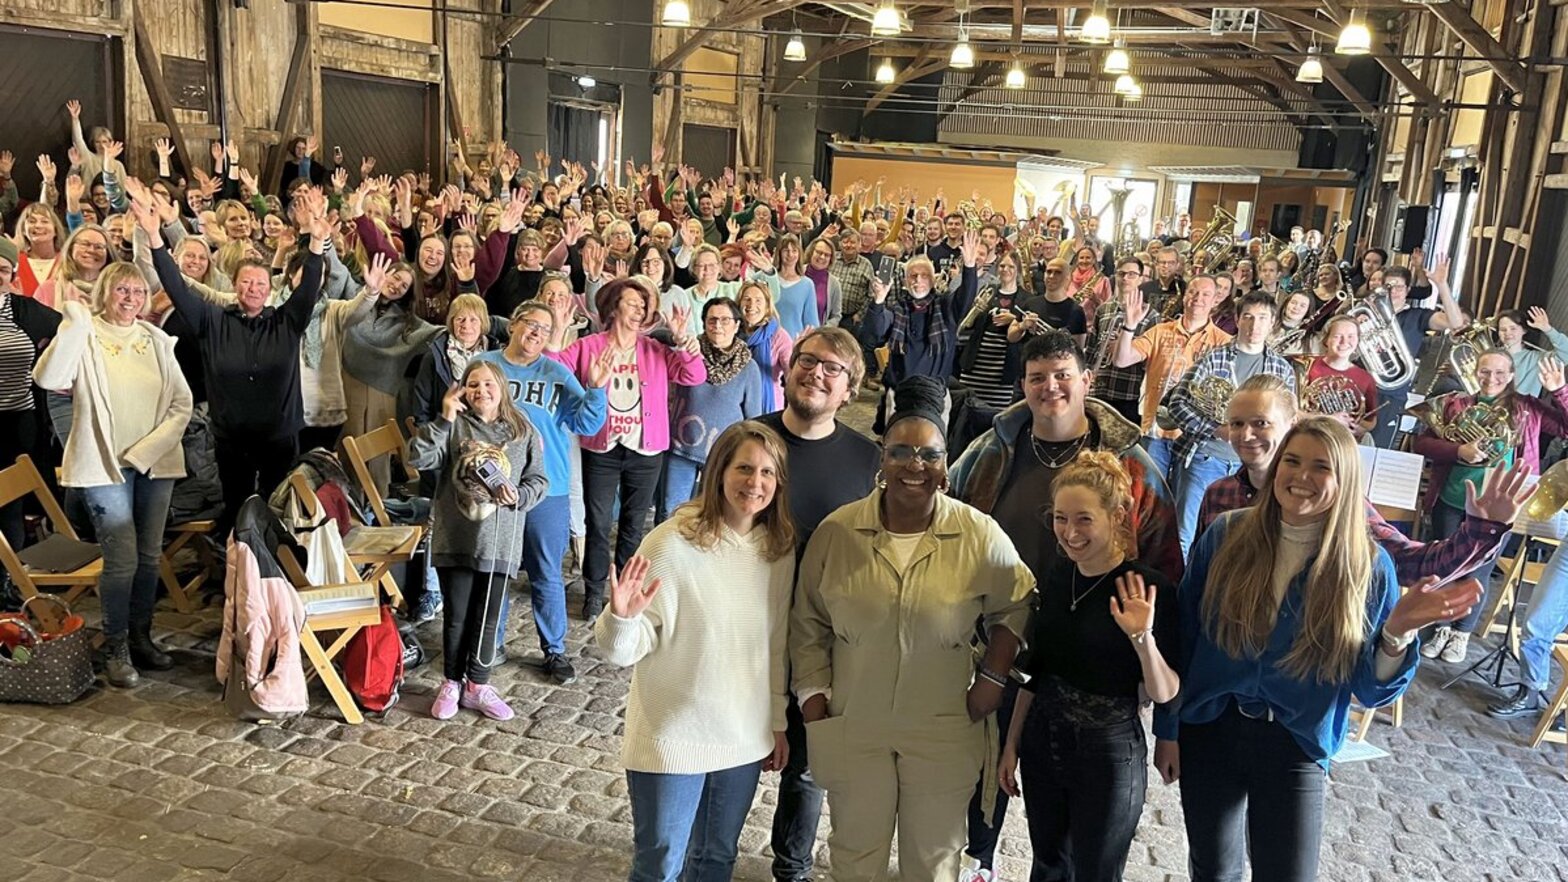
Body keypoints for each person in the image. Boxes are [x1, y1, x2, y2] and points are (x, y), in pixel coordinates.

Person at [1158, 416, 1484, 882]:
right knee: (1212, 869)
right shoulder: (1226, 535)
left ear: (1345, 480)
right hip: (1211, 728)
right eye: (1291, 461)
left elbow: (1372, 693)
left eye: (1321, 466)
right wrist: (1168, 727)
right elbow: (1183, 637)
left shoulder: (1367, 566)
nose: (1301, 477)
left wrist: (1397, 633)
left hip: (1296, 741)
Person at [791, 375, 1034, 882]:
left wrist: (991, 681)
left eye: (929, 455)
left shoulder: (976, 533)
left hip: (944, 724)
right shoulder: (839, 532)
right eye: (901, 452)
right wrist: (815, 702)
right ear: (882, 458)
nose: (914, 466)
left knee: (935, 862)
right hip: (854, 721)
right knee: (855, 857)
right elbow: (808, 622)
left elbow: (1016, 602)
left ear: (946, 463)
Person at [595, 421, 796, 882]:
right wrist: (622, 619)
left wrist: (778, 722)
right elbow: (622, 652)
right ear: (719, 470)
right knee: (660, 866)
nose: (755, 482)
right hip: (675, 737)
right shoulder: (671, 543)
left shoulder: (778, 550)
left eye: (768, 473)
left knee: (716, 860)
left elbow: (777, 642)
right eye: (744, 468)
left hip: (742, 737)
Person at [998, 451, 1179, 882]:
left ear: (1117, 516)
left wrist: (1142, 638)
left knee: (1097, 872)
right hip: (1044, 742)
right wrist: (1011, 744)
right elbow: (1037, 669)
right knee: (1047, 864)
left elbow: (1165, 691)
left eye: (1083, 520)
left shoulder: (1151, 588)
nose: (1069, 533)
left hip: (1109, 755)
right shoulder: (1060, 575)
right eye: (1061, 518)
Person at [32, 261, 193, 687]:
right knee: (121, 559)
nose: (130, 299)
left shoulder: (156, 339)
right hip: (103, 465)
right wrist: (74, 323)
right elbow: (48, 377)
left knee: (148, 555)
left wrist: (146, 451)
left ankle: (141, 636)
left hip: (154, 463)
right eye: (122, 290)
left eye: (138, 292)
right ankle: (116, 645)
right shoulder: (86, 335)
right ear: (105, 292)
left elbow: (182, 404)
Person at [757, 326, 880, 882]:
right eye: (809, 361)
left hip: (823, 642)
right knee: (728, 753)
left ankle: (792, 869)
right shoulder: (747, 441)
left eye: (834, 368)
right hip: (747, 630)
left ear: (850, 389)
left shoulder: (867, 461)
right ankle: (705, 857)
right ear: (788, 369)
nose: (817, 374)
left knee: (807, 768)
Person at [140, 189, 327, 535]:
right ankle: (237, 574)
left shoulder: (287, 321)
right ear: (235, 286)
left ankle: (278, 576)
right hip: (232, 439)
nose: (253, 288)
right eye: (246, 283)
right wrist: (155, 238)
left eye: (259, 283)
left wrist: (316, 241)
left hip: (279, 438)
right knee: (236, 511)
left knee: (279, 512)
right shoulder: (212, 320)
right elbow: (178, 289)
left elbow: (309, 286)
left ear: (269, 288)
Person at [550, 277, 706, 618]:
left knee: (634, 524)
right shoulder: (590, 345)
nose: (640, 310)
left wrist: (682, 343)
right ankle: (593, 592)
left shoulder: (655, 349)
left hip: (646, 451)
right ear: (614, 306)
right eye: (633, 303)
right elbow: (553, 369)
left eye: (644, 306)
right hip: (602, 449)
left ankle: (624, 590)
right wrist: (558, 332)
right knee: (598, 522)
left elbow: (694, 376)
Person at [475, 301, 608, 686]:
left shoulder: (556, 372)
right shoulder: (486, 365)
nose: (536, 333)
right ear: (513, 324)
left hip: (546, 486)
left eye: (545, 330)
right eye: (531, 324)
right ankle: (489, 645)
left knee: (546, 572)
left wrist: (596, 390)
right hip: (492, 486)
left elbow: (585, 421)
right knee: (494, 569)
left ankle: (554, 650)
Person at [409, 360, 548, 721]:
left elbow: (539, 481)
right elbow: (419, 457)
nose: (480, 391)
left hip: (500, 541)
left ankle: (478, 685)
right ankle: (452, 681)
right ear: (463, 391)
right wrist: (444, 418)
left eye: (488, 384)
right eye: (472, 385)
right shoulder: (454, 426)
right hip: (457, 537)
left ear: (502, 387)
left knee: (487, 616)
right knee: (456, 616)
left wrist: (518, 496)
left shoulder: (522, 432)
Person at [1414, 351, 1568, 664]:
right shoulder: (1456, 404)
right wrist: (1459, 450)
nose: (1491, 379)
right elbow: (1423, 443)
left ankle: (1461, 631)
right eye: (1485, 372)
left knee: (1478, 571)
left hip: (1498, 506)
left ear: (1511, 375)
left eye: (1499, 373)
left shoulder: (1526, 406)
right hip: (1453, 498)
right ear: (1476, 371)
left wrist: (1559, 391)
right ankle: (1441, 626)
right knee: (1446, 565)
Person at [1163, 291, 1296, 554]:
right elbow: (1176, 404)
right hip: (1207, 459)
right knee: (1185, 536)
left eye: (1262, 318)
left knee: (1247, 541)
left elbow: (1288, 419)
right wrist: (1217, 429)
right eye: (1247, 317)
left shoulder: (1283, 369)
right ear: (1237, 319)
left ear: (1272, 323)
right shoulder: (1213, 359)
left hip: (1259, 468)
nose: (1254, 325)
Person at [1111, 275, 1233, 479]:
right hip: (1156, 433)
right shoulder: (1160, 331)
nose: (1198, 298)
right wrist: (1129, 326)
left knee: (1182, 504)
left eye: (1206, 294)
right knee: (1151, 500)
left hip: (1195, 438)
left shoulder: (1224, 342)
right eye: (1193, 292)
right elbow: (1121, 360)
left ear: (1215, 301)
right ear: (1185, 296)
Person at [661, 297, 765, 522]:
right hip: (681, 447)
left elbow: (753, 418)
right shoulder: (689, 354)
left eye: (725, 320)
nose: (718, 326)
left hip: (723, 456)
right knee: (670, 513)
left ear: (737, 325)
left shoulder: (749, 367)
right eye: (712, 320)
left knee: (714, 516)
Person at [1302, 316, 1378, 440]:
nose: (1344, 342)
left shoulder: (1366, 378)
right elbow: (1289, 409)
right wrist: (1327, 419)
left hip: (1341, 441)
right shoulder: (1306, 366)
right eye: (1337, 336)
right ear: (1326, 340)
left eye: (1351, 336)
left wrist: (1359, 428)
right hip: (1305, 435)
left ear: (1358, 341)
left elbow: (1371, 421)